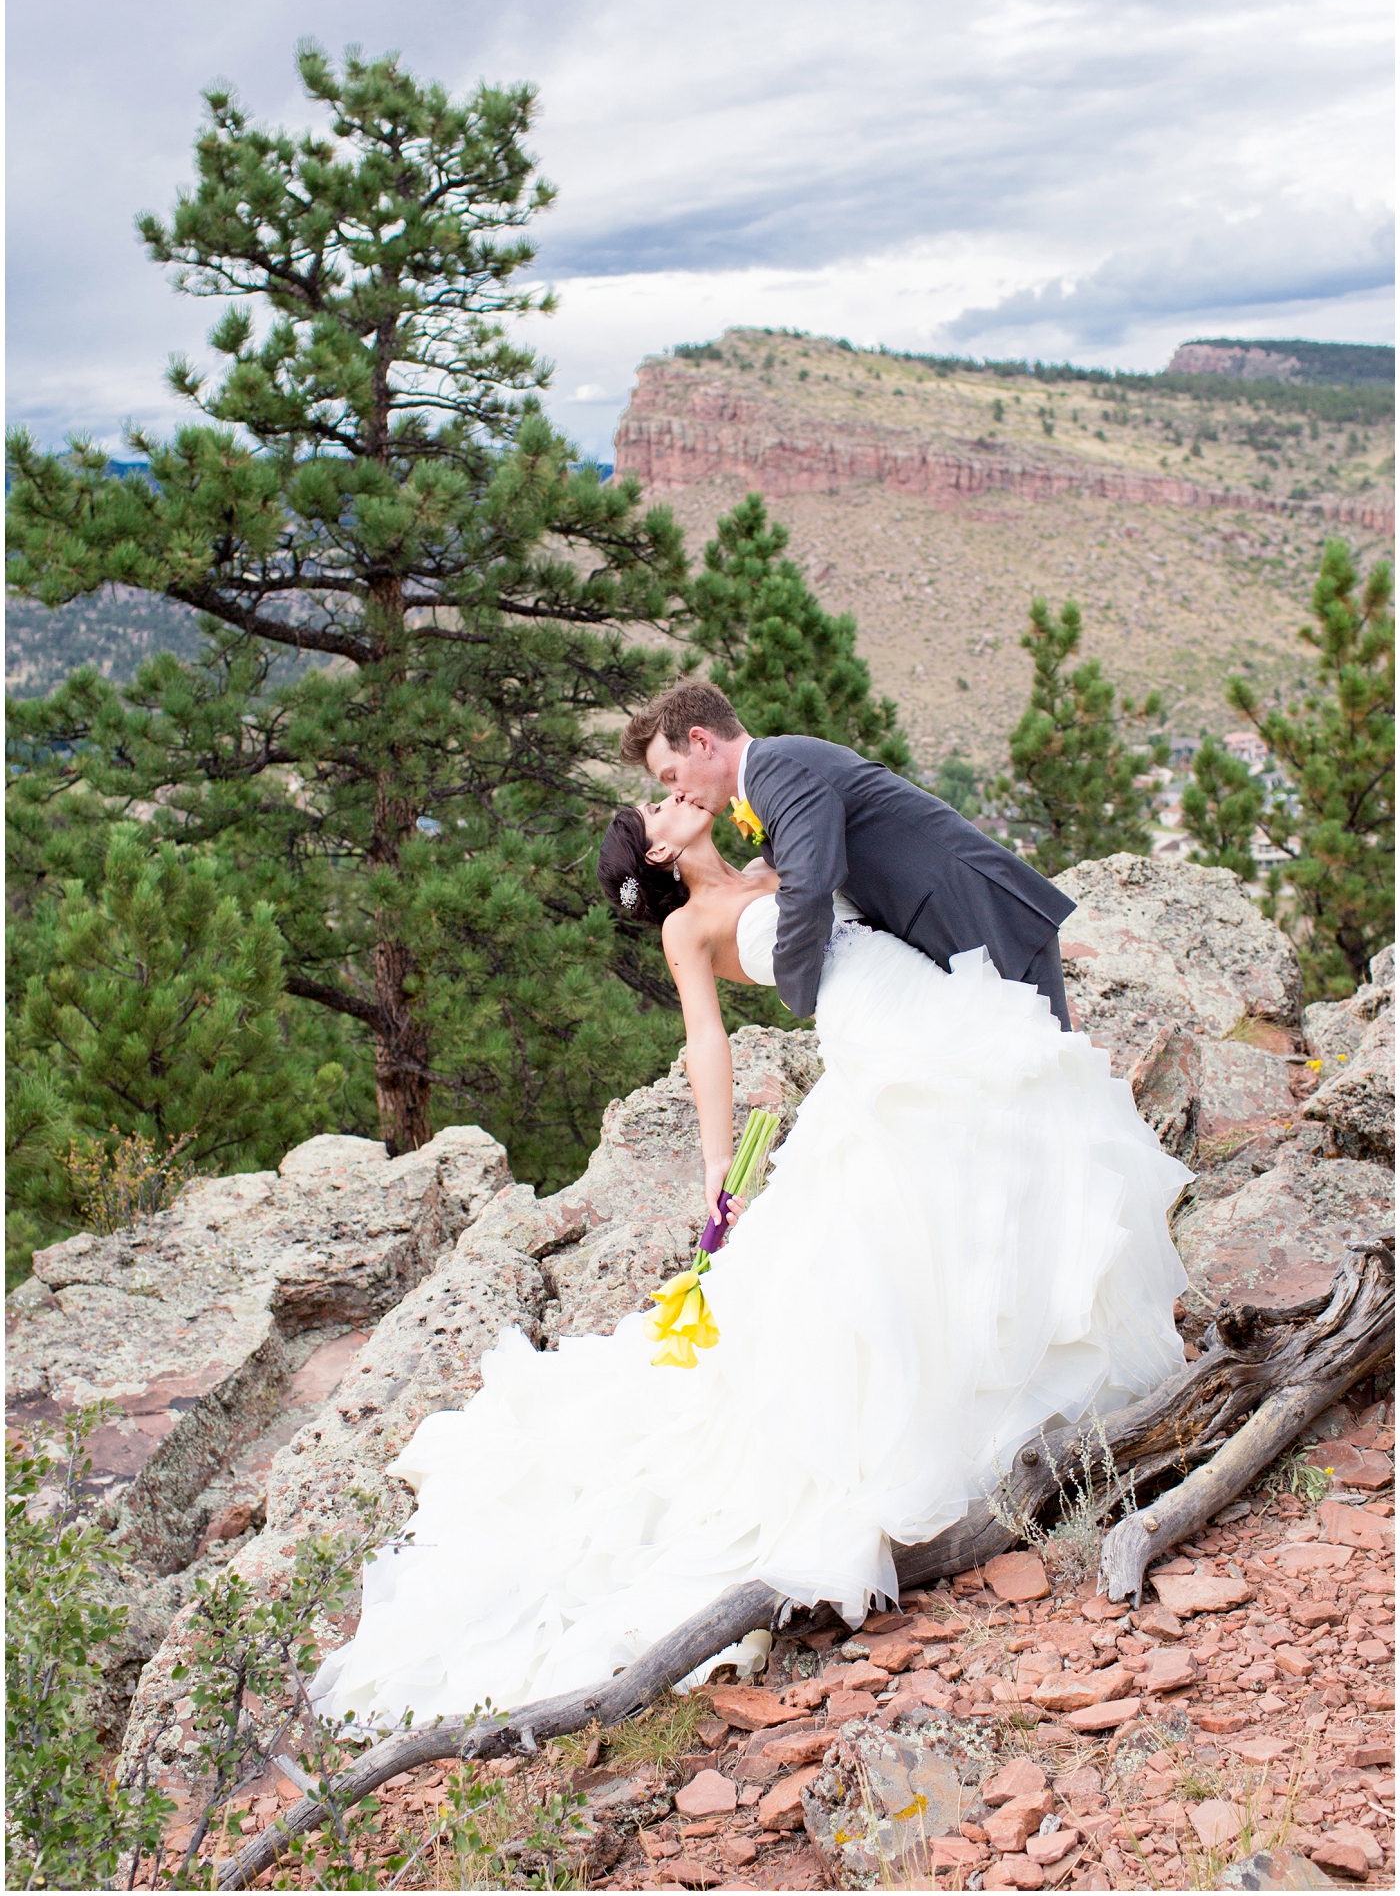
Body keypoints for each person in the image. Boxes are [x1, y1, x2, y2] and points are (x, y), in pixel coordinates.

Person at [310, 756, 1189, 1733]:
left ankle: (1037, 1334)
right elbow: (706, 1049)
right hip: (882, 1035)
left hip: (919, 1000)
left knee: (1002, 1145)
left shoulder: (771, 859)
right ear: (655, 850)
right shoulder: (689, 926)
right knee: (921, 1194)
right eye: (657, 804)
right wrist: (718, 1184)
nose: (676, 796)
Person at [620, 678, 1078, 1029]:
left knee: (1051, 1083)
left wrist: (796, 991)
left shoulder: (776, 769)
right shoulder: (768, 778)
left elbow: (810, 884)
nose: (676, 792)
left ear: (701, 741)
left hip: (982, 915)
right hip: (954, 928)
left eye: (670, 775)